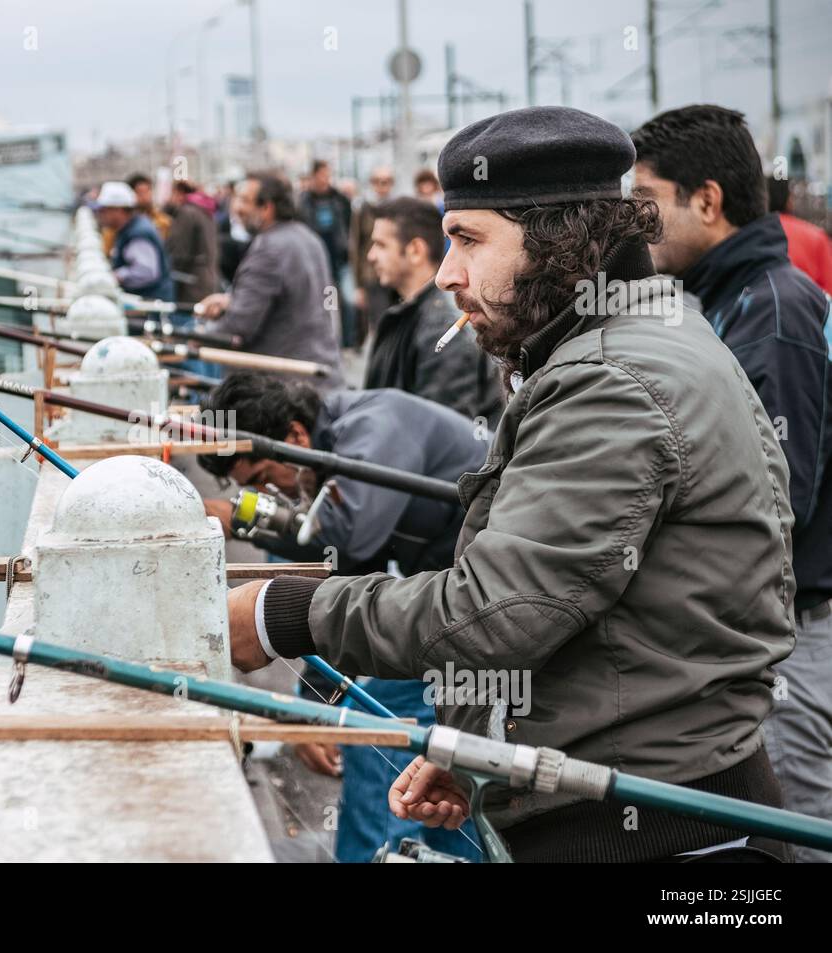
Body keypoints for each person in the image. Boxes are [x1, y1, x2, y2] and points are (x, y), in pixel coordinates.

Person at [225, 106, 798, 863]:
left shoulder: (611, 381)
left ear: (560, 241)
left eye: (467, 239)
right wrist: (478, 752)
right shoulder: (637, 338)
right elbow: (578, 612)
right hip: (646, 806)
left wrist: (279, 612)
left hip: (659, 837)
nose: (446, 272)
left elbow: (494, 611)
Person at [632, 104, 832, 862]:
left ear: (707, 201)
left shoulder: (770, 312)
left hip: (790, 640)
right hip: (766, 634)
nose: (636, 221)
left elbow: (776, 505)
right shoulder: (729, 299)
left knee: (799, 833)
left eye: (647, 200)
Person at [197, 371, 487, 862]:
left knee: (372, 722)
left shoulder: (375, 427)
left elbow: (346, 541)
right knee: (439, 762)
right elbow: (344, 570)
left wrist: (236, 514)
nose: (271, 492)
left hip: (485, 613)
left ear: (295, 436)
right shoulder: (342, 439)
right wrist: (317, 699)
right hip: (461, 604)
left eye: (265, 479)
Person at [195, 172, 344, 390]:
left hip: (284, 387)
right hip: (318, 375)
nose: (236, 208)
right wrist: (232, 300)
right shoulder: (307, 237)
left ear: (267, 208)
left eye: (245, 200)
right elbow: (296, 299)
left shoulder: (268, 249)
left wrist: (198, 335)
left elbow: (239, 325)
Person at [363, 197, 502, 426]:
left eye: (381, 245)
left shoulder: (441, 327)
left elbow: (440, 435)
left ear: (415, 251)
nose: (371, 256)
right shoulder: (411, 313)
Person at [297, 160, 357, 347]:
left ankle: (348, 342)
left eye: (328, 175)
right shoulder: (303, 201)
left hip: (339, 258)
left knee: (348, 300)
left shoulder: (339, 199)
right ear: (314, 176)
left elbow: (349, 226)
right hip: (316, 260)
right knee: (324, 303)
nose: (326, 179)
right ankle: (327, 341)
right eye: (322, 175)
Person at [94, 180, 174, 303]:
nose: (101, 215)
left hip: (152, 307)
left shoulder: (138, 234)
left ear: (119, 210)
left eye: (104, 210)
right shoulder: (131, 228)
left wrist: (115, 277)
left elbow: (145, 272)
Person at [349, 166, 397, 345]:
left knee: (396, 321)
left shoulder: (397, 207)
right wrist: (358, 285)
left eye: (386, 182)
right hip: (372, 273)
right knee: (379, 322)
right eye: (378, 182)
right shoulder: (363, 209)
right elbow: (355, 246)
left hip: (395, 271)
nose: (382, 186)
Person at [768, 174, 832, 295]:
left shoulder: (748, 234)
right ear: (789, 200)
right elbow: (829, 287)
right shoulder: (816, 236)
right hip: (809, 310)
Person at [164, 179, 218, 309]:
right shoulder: (203, 209)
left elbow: (179, 250)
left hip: (190, 281)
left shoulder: (187, 212)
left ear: (180, 193)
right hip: (206, 277)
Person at [127, 172, 171, 241]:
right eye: (140, 192)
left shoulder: (163, 221)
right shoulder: (122, 223)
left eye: (147, 191)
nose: (145, 196)